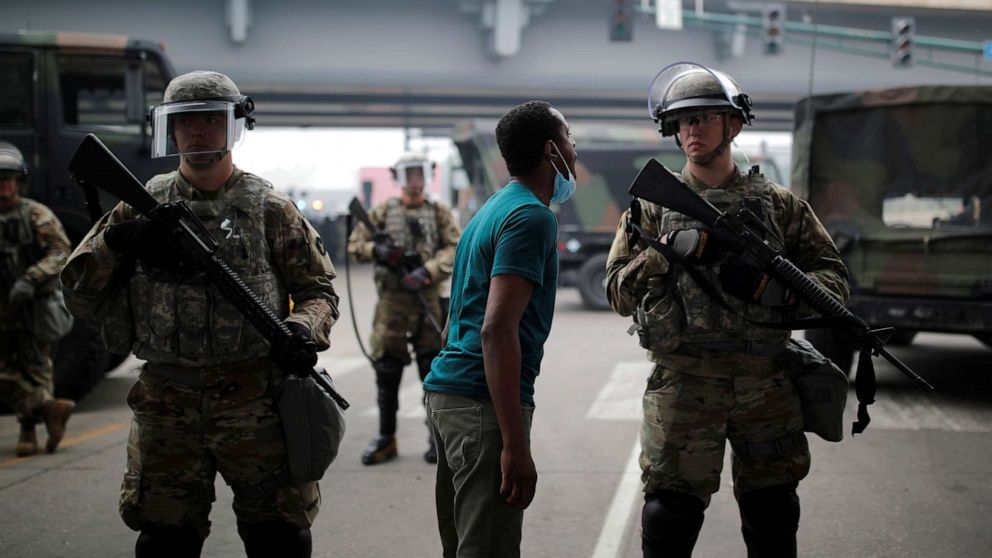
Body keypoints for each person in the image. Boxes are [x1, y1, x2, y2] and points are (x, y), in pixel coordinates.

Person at [60, 71, 339, 558]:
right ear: (170, 129)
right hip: (167, 402)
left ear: (235, 126)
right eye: (186, 121)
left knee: (280, 534)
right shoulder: (137, 208)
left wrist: (301, 329)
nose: (199, 132)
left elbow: (318, 291)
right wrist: (115, 243)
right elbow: (79, 294)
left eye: (213, 119)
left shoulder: (271, 210)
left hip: (255, 401)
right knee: (164, 539)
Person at [605, 63, 850, 558]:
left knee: (774, 511)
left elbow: (835, 282)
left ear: (733, 125)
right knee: (669, 513)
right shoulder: (649, 208)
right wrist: (665, 251)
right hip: (684, 382)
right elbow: (616, 292)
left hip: (764, 379)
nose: (692, 130)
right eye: (683, 121)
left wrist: (775, 291)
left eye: (705, 118)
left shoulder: (780, 206)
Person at [423, 100, 574, 557]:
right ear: (553, 151)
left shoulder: (489, 210)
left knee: (465, 545)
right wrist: (513, 443)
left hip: (448, 397)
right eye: (570, 139)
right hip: (479, 407)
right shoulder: (532, 217)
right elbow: (496, 329)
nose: (575, 148)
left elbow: (454, 323)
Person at [347, 152, 461, 465]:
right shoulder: (383, 211)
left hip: (427, 301)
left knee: (430, 369)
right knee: (387, 370)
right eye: (408, 174)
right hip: (392, 303)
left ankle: (435, 439)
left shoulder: (438, 211)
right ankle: (387, 438)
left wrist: (429, 271)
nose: (414, 181)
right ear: (399, 177)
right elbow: (355, 245)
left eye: (419, 174)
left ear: (427, 177)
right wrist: (377, 249)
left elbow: (455, 247)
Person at [0, 140, 75, 457]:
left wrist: (31, 278)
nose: (4, 184)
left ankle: (28, 431)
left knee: (36, 369)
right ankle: (49, 408)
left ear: (19, 181)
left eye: (9, 178)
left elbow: (61, 252)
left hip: (32, 305)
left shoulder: (35, 214)